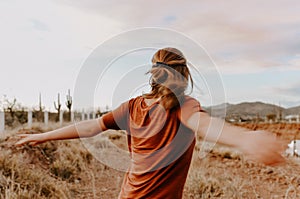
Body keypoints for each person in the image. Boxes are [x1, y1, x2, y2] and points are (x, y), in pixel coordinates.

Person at [15, 47, 286, 199]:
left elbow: (90, 127)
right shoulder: (184, 106)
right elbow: (204, 125)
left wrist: (43, 136)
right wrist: (245, 138)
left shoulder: (132, 106)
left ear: (153, 74)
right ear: (184, 74)